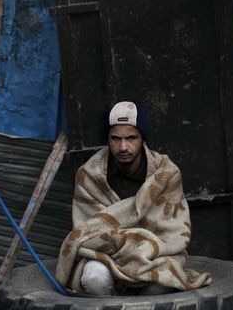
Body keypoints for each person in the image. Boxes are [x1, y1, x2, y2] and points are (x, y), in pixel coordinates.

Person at [55, 101, 212, 296]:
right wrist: (126, 246)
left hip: (154, 254)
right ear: (108, 139)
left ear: (142, 139)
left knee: (159, 283)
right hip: (105, 255)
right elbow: (88, 233)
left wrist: (140, 249)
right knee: (95, 277)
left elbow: (173, 232)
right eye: (115, 138)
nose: (123, 146)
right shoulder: (89, 175)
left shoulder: (166, 174)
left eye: (131, 138)